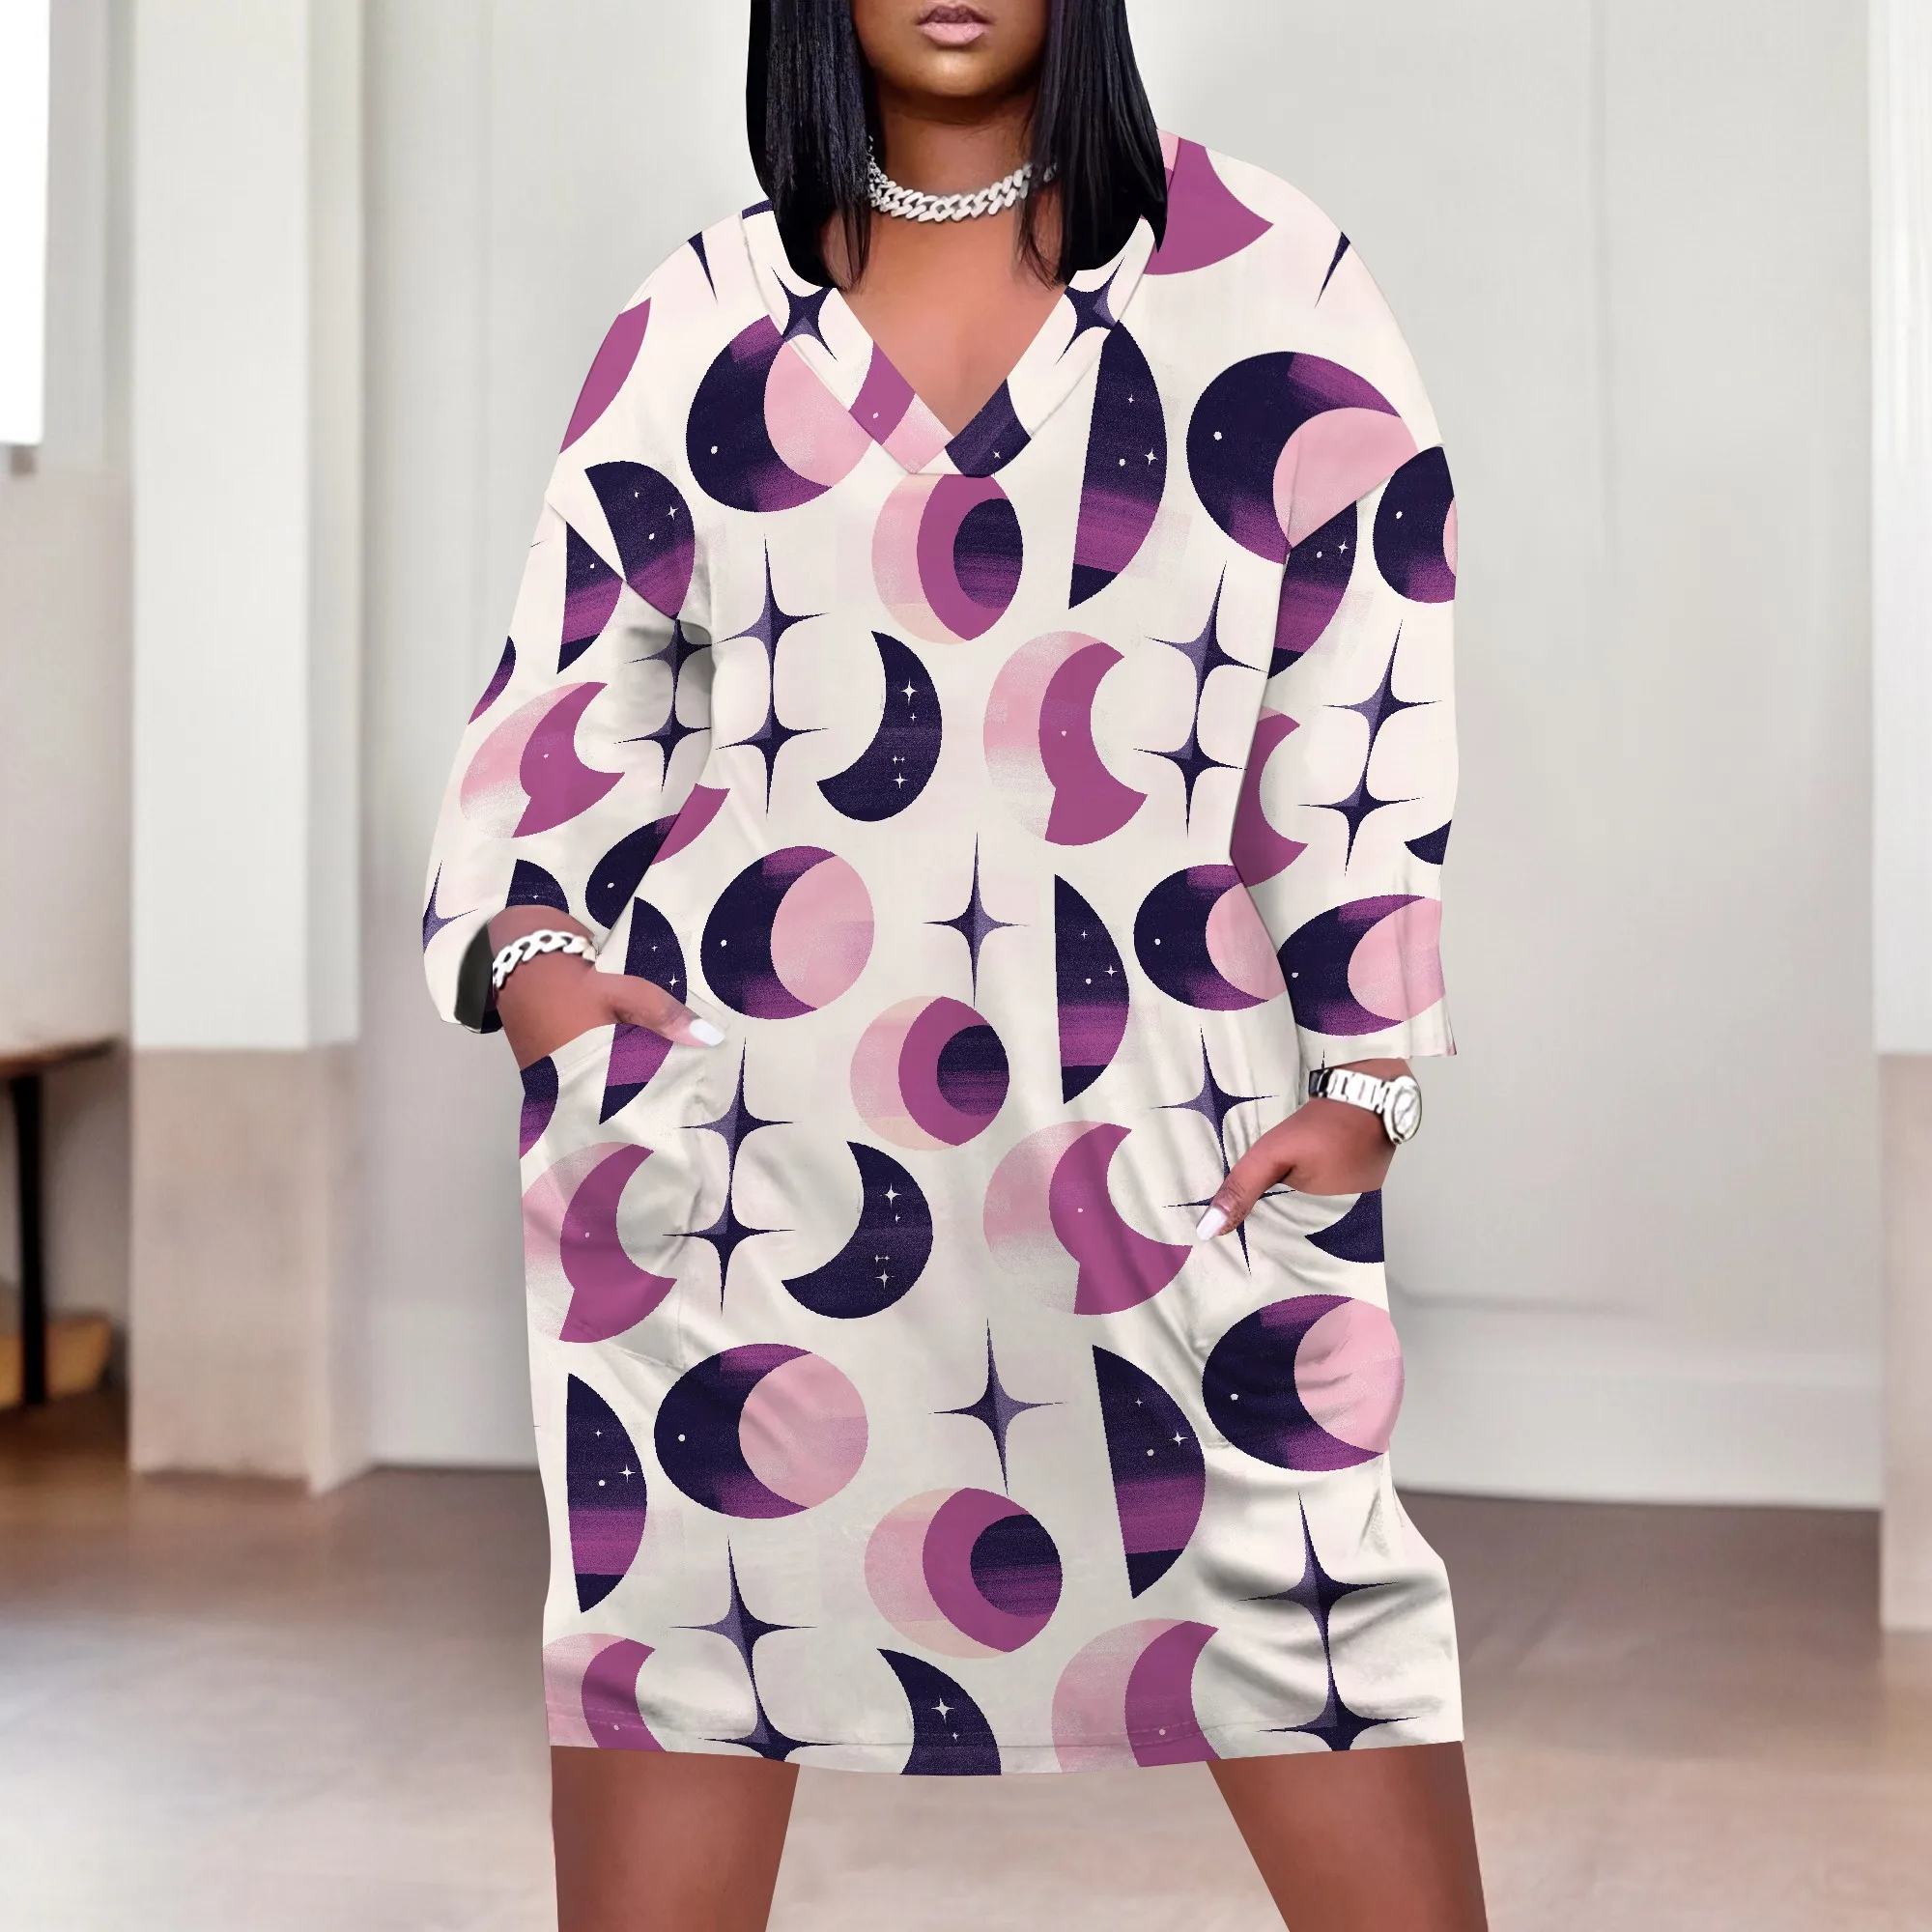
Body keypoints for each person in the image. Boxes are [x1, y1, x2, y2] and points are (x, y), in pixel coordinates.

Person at [422, 2, 1484, 1925]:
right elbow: (566, 709)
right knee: (687, 1659)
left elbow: (1361, 691)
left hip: (1170, 1159)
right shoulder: (699, 319)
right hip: (747, 1184)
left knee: (1321, 1637)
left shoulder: (1270, 285)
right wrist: (547, 971)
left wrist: (1369, 1068)